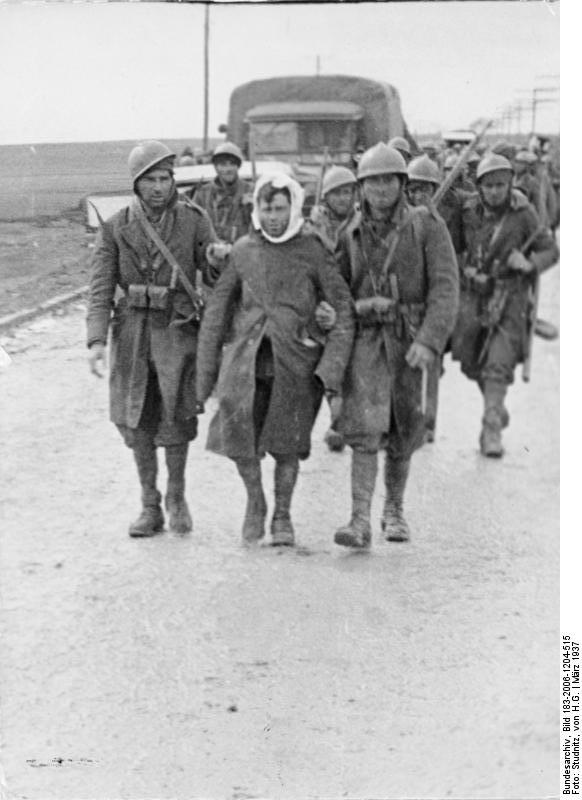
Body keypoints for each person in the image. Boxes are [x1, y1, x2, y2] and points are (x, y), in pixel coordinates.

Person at [195, 173, 355, 547]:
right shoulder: (243, 250)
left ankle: (283, 515)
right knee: (237, 438)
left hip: (295, 361)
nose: (273, 218)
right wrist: (204, 382)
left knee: (288, 444)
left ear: (294, 207)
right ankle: (256, 499)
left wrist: (330, 370)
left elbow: (343, 308)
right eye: (266, 209)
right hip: (246, 363)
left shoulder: (313, 249)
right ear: (256, 210)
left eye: (280, 209)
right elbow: (217, 312)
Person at [87, 140, 219, 537]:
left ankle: (176, 496)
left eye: (165, 178)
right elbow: (99, 286)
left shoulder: (195, 220)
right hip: (131, 334)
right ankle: (150, 504)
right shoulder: (115, 227)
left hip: (176, 332)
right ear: (137, 184)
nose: (159, 187)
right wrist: (95, 340)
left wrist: (214, 263)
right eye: (150, 180)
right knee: (135, 417)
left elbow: (216, 278)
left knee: (175, 415)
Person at [332, 143, 459, 548]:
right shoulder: (349, 233)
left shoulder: (428, 225)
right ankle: (358, 521)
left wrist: (429, 340)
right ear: (361, 187)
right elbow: (335, 292)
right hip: (367, 340)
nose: (381, 189)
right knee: (365, 431)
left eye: (389, 180)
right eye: (372, 181)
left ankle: (394, 510)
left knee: (404, 429)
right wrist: (357, 307)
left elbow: (446, 287)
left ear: (403, 184)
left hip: (409, 340)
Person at [451, 154, 558, 457]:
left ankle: (491, 428)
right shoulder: (469, 210)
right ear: (480, 186)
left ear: (510, 183)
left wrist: (528, 263)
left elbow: (550, 249)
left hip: (510, 297)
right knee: (471, 362)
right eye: (489, 185)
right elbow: (453, 245)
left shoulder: (524, 214)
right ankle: (495, 407)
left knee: (498, 362)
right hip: (474, 297)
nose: (495, 191)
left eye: (500, 185)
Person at [306, 164, 358, 453]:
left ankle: (344, 417)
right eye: (336, 193)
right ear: (326, 197)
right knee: (327, 363)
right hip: (323, 304)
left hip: (356, 301)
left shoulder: (363, 224)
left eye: (347, 192)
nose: (342, 198)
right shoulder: (314, 226)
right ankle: (336, 417)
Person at [406, 154, 447, 445]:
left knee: (431, 367)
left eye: (424, 189)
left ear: (434, 191)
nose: (418, 194)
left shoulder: (437, 225)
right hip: (405, 307)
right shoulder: (404, 222)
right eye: (413, 188)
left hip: (430, 306)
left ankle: (429, 422)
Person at [191, 141, 253, 251]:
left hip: (242, 255)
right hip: (210, 256)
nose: (228, 169)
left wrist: (250, 206)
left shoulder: (250, 190)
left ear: (238, 166)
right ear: (216, 167)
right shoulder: (203, 194)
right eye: (223, 164)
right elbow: (193, 228)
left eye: (232, 164)